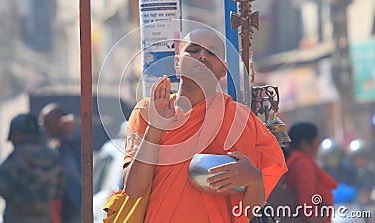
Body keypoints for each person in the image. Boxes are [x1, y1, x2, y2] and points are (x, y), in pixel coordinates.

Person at [111, 27, 287, 222]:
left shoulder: (239, 118)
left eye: (212, 52)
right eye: (193, 50)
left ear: (223, 70)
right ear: (177, 63)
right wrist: (156, 126)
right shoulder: (147, 111)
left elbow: (249, 211)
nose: (203, 56)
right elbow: (134, 189)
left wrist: (254, 180)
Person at [0, 113, 65, 223]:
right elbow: (60, 191)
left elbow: (2, 188)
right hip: (45, 219)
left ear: (17, 135)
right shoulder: (53, 157)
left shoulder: (17, 157)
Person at [283, 122, 337, 223]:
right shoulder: (303, 165)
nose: (317, 148)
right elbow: (307, 207)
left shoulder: (297, 162)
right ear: (305, 145)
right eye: (317, 143)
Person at [38, 103, 82, 223]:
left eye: (48, 124)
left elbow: (77, 136)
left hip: (76, 207)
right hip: (63, 208)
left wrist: (73, 125)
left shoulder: (74, 141)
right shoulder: (58, 147)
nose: (44, 129)